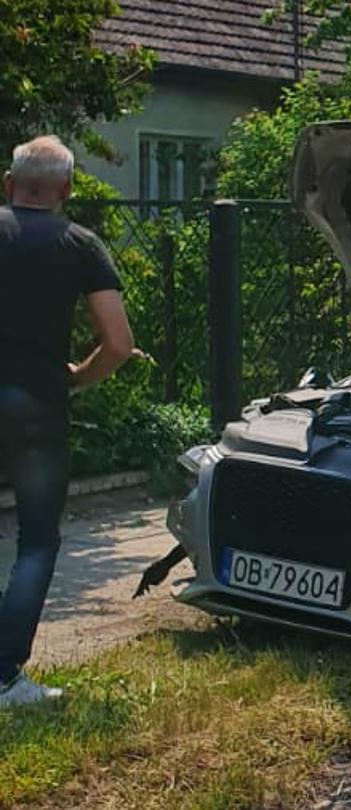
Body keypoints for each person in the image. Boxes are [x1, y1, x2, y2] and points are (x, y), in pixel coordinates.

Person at [0, 136, 134, 708]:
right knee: (36, 539)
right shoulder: (80, 244)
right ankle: (5, 678)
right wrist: (78, 375)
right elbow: (119, 344)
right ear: (66, 191)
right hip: (36, 402)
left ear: (8, 183)